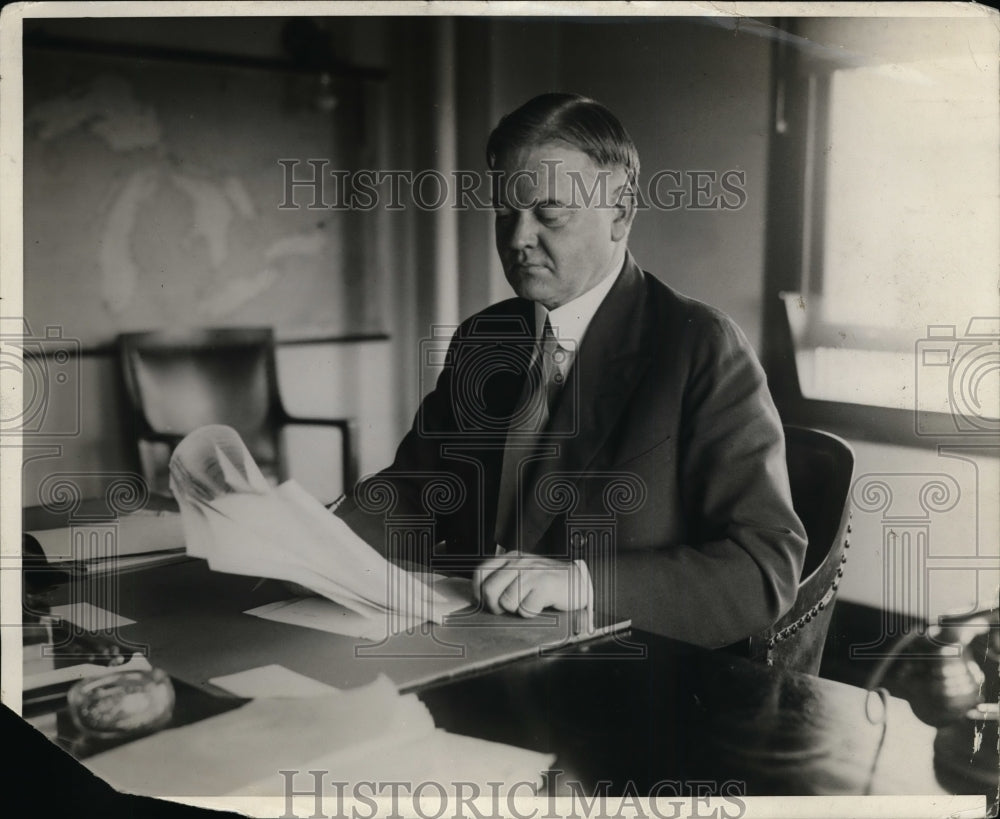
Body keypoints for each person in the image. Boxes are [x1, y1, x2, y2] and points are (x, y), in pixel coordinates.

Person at [337, 93, 807, 649]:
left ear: (621, 214)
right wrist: (309, 533)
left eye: (550, 215)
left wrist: (584, 583)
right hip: (479, 650)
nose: (517, 239)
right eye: (505, 213)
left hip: (624, 672)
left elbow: (765, 569)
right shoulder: (486, 338)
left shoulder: (699, 345)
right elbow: (417, 493)